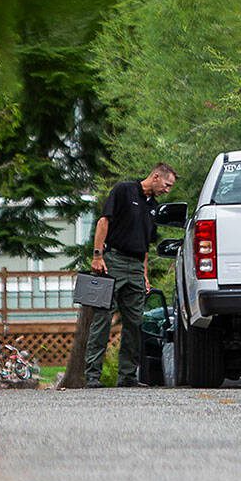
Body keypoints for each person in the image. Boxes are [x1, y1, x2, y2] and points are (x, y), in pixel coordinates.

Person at [84, 163, 177, 387]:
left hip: (135, 266)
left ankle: (127, 376)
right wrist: (98, 256)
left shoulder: (153, 207)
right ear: (155, 177)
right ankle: (92, 377)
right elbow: (103, 221)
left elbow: (145, 245)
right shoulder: (124, 190)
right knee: (102, 319)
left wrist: (144, 274)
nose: (167, 190)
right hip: (113, 261)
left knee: (135, 322)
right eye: (167, 184)